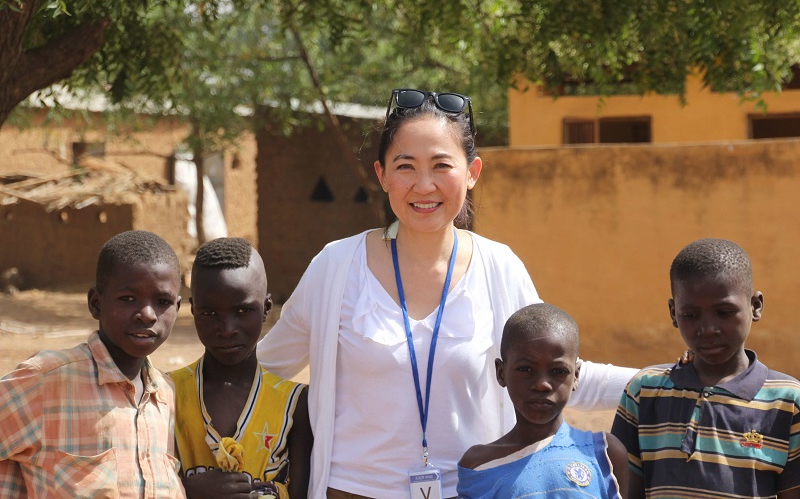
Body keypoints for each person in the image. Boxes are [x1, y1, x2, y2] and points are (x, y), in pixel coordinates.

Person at [256, 88, 639, 498]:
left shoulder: (499, 267)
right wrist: (177, 397)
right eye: (405, 166)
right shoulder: (337, 266)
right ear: (382, 174)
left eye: (442, 165)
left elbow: (553, 370)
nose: (424, 185)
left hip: (474, 490)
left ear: (472, 172)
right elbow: (263, 370)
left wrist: (671, 381)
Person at [0, 230, 185, 497]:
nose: (147, 314)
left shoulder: (166, 395)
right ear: (96, 304)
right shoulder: (46, 382)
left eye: (163, 302)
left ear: (177, 308)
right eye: (128, 299)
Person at [611, 238, 800, 499]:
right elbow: (626, 490)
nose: (708, 329)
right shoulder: (643, 392)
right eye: (691, 315)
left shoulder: (787, 401)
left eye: (724, 312)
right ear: (673, 313)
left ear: (755, 306)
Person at [170, 237, 312, 498]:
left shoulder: (295, 404)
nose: (227, 329)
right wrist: (185, 491)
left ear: (267, 308)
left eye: (243, 311)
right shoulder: (164, 393)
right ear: (193, 310)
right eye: (210, 313)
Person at [457, 303, 628, 498]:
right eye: (526, 369)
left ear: (576, 376)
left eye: (558, 371)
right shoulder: (480, 466)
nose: (542, 384)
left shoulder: (604, 452)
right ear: (501, 372)